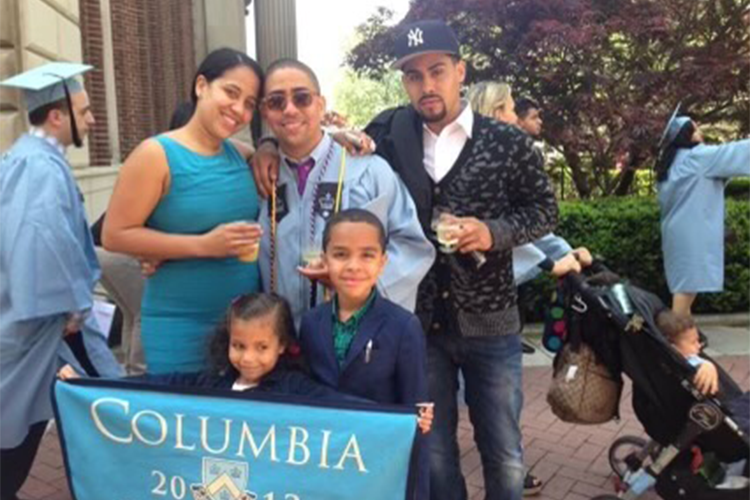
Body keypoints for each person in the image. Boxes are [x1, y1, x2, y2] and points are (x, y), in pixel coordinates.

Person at [253, 21, 559, 500]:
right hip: (422, 328)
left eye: (437, 71)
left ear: (460, 72)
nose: (427, 84)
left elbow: (545, 210)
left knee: (503, 452)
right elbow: (315, 133)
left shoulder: (507, 141)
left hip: (490, 322)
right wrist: (267, 146)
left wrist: (493, 232)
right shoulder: (390, 132)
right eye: (414, 76)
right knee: (432, 453)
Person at [0, 62, 122, 500]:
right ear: (57, 115)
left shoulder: (25, 158)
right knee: (14, 439)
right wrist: (67, 307)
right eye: (85, 110)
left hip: (28, 325)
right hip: (37, 328)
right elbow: (37, 243)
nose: (91, 119)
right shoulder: (39, 169)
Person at [103, 48, 265, 374]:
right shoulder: (155, 154)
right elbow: (114, 235)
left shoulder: (241, 154)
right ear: (201, 86)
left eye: (249, 103)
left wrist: (274, 146)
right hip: (180, 324)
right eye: (231, 92)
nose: (239, 109)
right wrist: (203, 246)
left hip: (246, 329)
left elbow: (285, 158)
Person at [59, 292, 434, 432]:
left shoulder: (294, 389)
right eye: (239, 345)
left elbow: (339, 405)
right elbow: (159, 385)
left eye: (260, 347)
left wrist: (401, 418)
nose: (247, 357)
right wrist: (85, 386)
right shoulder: (214, 384)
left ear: (283, 346)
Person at [257, 58, 434, 325]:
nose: (289, 110)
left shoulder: (368, 170)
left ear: (320, 104)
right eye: (276, 102)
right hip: (281, 343)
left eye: (302, 98)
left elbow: (412, 246)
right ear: (264, 112)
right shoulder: (262, 177)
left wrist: (356, 283)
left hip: (354, 340)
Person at [299, 208, 430, 498]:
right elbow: (303, 393)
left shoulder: (403, 326)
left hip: (379, 467)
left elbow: (416, 416)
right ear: (324, 258)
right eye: (341, 254)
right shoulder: (311, 323)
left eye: (367, 255)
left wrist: (417, 491)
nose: (353, 266)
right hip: (325, 465)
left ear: (383, 262)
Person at [655, 109, 750, 316]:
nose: (700, 132)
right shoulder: (697, 158)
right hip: (693, 230)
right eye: (695, 128)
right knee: (687, 287)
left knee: (683, 285)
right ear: (686, 135)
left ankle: (686, 333)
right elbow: (732, 153)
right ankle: (676, 336)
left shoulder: (669, 167)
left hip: (675, 231)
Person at [655, 310, 749, 434]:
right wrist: (706, 366)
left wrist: (707, 364)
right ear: (673, 348)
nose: (698, 346)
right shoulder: (686, 366)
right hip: (720, 415)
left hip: (728, 406)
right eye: (693, 342)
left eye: (698, 341)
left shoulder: (690, 359)